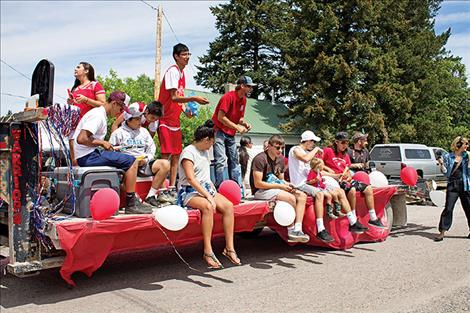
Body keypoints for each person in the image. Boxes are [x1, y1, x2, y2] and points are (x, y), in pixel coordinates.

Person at [73, 91, 152, 214]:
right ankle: (131, 204)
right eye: (120, 108)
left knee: (123, 160)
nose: (120, 112)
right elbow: (81, 139)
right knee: (132, 162)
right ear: (114, 103)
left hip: (89, 154)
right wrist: (102, 143)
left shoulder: (99, 114)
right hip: (87, 157)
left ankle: (131, 198)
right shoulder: (98, 115)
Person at [177, 120, 241, 269]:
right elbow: (191, 179)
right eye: (211, 143)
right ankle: (207, 250)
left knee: (228, 206)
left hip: (206, 188)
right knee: (207, 207)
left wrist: (212, 192)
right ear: (206, 140)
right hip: (189, 191)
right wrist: (208, 196)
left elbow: (206, 176)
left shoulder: (205, 151)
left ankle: (229, 248)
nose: (211, 146)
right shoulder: (188, 152)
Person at [158, 43, 210, 189]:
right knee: (165, 156)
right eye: (184, 54)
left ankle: (173, 187)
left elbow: (179, 100)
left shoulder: (182, 74)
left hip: (175, 121)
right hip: (165, 118)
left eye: (188, 54)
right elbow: (173, 97)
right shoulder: (172, 71)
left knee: (176, 156)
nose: (187, 57)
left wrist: (187, 111)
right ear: (176, 56)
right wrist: (195, 99)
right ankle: (162, 189)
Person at [109, 102, 173, 207]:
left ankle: (150, 196)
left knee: (165, 164)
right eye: (137, 119)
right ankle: (134, 198)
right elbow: (111, 152)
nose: (140, 122)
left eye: (140, 119)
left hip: (143, 163)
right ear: (129, 120)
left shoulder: (144, 131)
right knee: (123, 173)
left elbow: (151, 147)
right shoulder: (118, 133)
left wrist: (146, 159)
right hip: (127, 166)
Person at [250, 134, 310, 243]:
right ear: (269, 146)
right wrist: (281, 186)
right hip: (260, 191)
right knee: (290, 198)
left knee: (302, 196)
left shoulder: (281, 159)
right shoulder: (260, 159)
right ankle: (291, 231)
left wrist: (287, 185)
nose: (280, 150)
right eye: (277, 147)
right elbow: (258, 184)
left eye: (282, 147)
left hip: (275, 187)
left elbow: (280, 179)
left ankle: (298, 229)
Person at [322, 132, 385, 229]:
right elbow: (318, 165)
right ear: (336, 142)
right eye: (343, 142)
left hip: (345, 179)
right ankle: (354, 220)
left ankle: (373, 218)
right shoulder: (327, 151)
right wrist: (332, 173)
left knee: (368, 188)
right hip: (334, 180)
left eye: (347, 143)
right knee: (351, 190)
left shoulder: (346, 155)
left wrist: (347, 176)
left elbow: (347, 168)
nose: (345, 145)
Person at [212, 75, 255, 188]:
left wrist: (244, 123)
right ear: (242, 86)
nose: (251, 89)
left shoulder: (243, 100)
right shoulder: (228, 97)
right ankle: (220, 188)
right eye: (249, 87)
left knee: (234, 160)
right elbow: (221, 117)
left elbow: (239, 118)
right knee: (221, 160)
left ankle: (236, 188)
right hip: (219, 131)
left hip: (230, 133)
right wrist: (237, 127)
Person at [67, 62, 107, 164]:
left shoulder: (95, 85)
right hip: (75, 125)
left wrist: (86, 100)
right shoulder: (75, 88)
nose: (75, 69)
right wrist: (71, 103)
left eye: (78, 67)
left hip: (88, 127)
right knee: (74, 159)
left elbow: (103, 104)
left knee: (86, 157)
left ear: (86, 71)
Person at [434, 136, 470, 241]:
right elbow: (446, 172)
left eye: (467, 144)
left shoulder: (467, 156)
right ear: (458, 145)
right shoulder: (448, 157)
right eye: (465, 144)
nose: (467, 146)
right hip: (452, 185)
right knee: (448, 208)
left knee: (469, 208)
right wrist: (441, 164)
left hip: (465, 184)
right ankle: (442, 232)